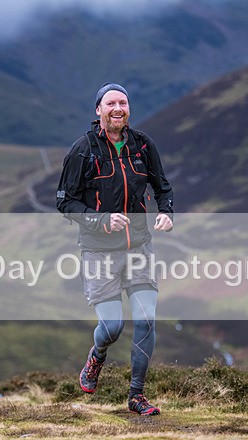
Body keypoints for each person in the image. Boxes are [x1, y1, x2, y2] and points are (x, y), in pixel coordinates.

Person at [56, 82, 174, 416]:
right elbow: (65, 203)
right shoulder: (83, 150)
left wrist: (166, 213)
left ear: (128, 109)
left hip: (139, 247)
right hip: (99, 253)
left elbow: (162, 187)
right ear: (99, 110)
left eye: (122, 102)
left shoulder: (143, 145)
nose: (117, 108)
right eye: (110, 104)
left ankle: (136, 396)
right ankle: (97, 356)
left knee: (147, 320)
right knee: (112, 328)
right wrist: (100, 221)